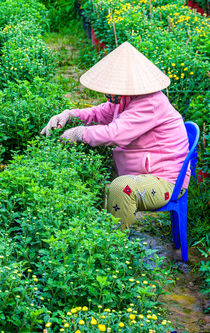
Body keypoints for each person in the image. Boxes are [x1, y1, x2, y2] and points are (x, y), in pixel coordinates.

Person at [40, 41, 189, 231]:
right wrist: (69, 115)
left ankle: (115, 245)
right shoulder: (126, 98)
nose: (106, 92)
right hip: (141, 169)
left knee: (121, 188)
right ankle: (94, 228)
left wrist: (79, 133)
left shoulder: (150, 103)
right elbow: (99, 113)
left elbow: (114, 134)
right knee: (94, 169)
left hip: (165, 180)